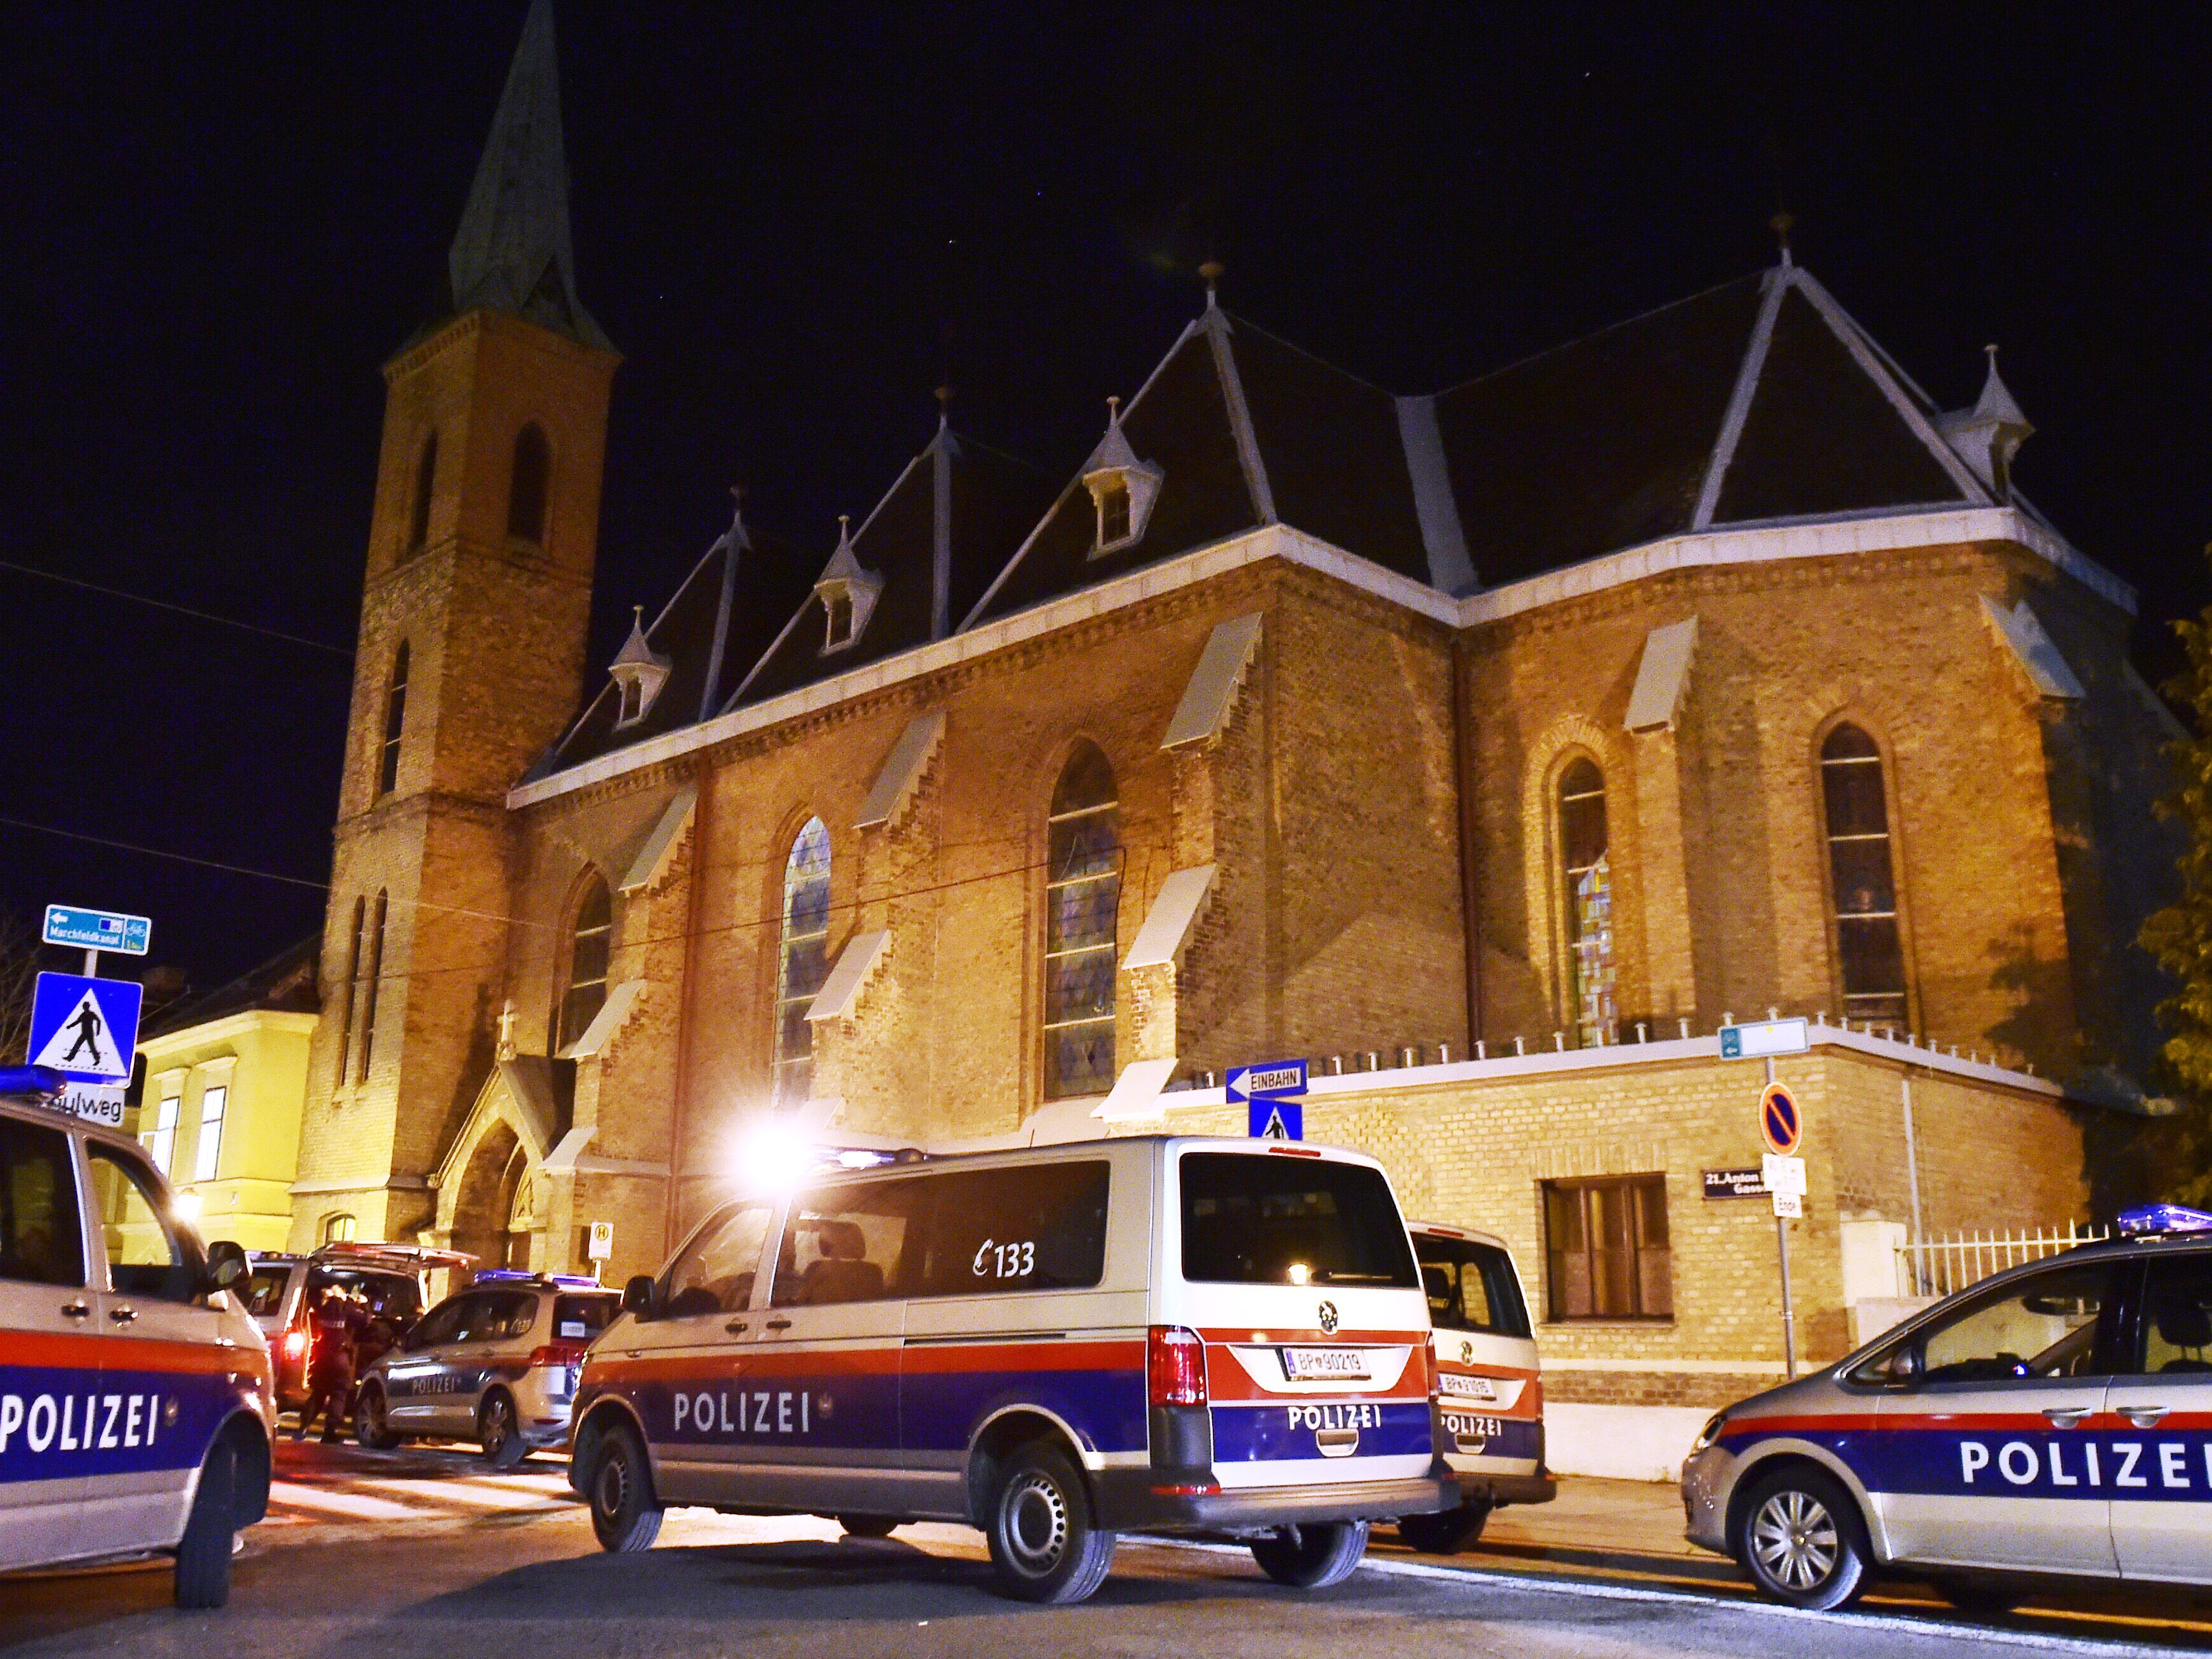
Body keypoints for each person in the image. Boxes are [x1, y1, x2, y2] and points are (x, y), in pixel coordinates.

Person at [296, 1285, 365, 1443]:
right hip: (339, 1359)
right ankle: (330, 1432)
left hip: (322, 1358)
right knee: (338, 1394)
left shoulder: (322, 1306)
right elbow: (365, 1319)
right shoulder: (345, 1308)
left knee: (318, 1394)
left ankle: (303, 1426)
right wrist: (361, 1303)